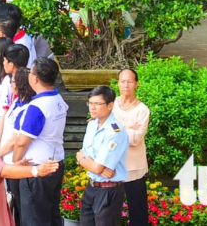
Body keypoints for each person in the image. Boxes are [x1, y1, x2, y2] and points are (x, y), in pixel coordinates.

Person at [12, 58, 68, 226]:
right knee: (51, 215)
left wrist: (16, 162)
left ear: (35, 79)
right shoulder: (58, 99)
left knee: (34, 218)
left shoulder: (36, 107)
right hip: (55, 163)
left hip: (37, 169)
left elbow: (22, 142)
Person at [76, 86, 129, 226]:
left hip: (108, 191)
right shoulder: (92, 125)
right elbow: (86, 155)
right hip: (92, 187)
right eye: (90, 103)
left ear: (110, 106)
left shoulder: (115, 131)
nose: (92, 108)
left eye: (97, 104)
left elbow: (91, 162)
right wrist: (93, 165)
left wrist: (83, 160)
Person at [113, 69, 150, 226]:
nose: (126, 85)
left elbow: (136, 138)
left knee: (138, 210)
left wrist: (117, 128)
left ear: (136, 84)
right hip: (112, 165)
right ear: (118, 83)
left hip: (134, 168)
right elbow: (106, 128)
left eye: (129, 81)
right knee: (110, 209)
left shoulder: (142, 110)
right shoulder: (111, 104)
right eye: (122, 81)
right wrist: (128, 128)